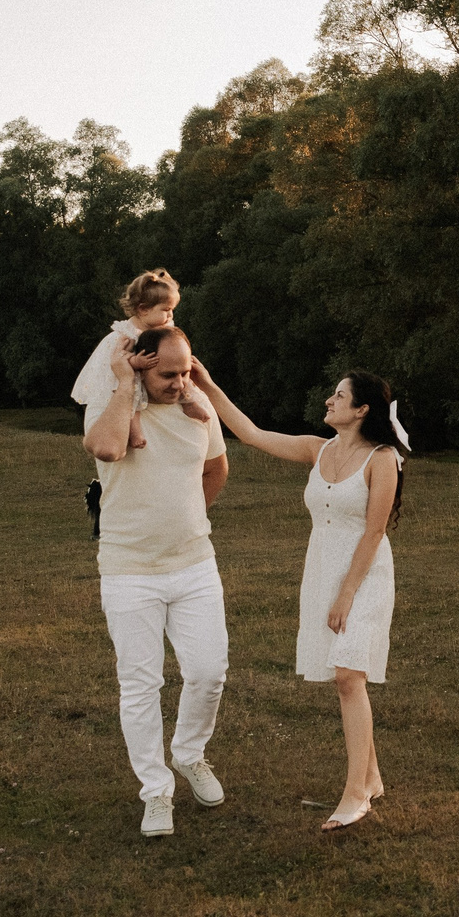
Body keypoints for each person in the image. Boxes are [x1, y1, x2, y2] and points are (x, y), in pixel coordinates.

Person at [190, 360, 402, 831]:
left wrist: (347, 594)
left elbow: (374, 532)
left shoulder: (382, 458)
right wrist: (208, 382)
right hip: (322, 569)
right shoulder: (316, 449)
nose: (329, 400)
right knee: (344, 676)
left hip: (364, 575)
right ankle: (371, 776)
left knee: (349, 675)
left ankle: (355, 794)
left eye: (339, 396)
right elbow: (249, 433)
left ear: (363, 410)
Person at [82, 324, 231, 837]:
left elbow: (217, 471)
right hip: (128, 570)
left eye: (185, 370)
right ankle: (156, 791)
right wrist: (125, 385)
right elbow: (103, 449)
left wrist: (185, 520)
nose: (179, 381)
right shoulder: (116, 404)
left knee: (210, 672)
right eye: (167, 373)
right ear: (142, 364)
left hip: (194, 564)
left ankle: (190, 755)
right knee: (140, 685)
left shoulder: (198, 408)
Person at [72, 269, 213, 449]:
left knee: (181, 378)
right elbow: (119, 360)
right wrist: (136, 363)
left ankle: (188, 403)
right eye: (166, 310)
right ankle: (135, 430)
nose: (170, 316)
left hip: (151, 374)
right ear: (144, 309)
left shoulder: (161, 326)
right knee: (132, 397)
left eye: (172, 310)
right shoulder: (126, 335)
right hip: (128, 374)